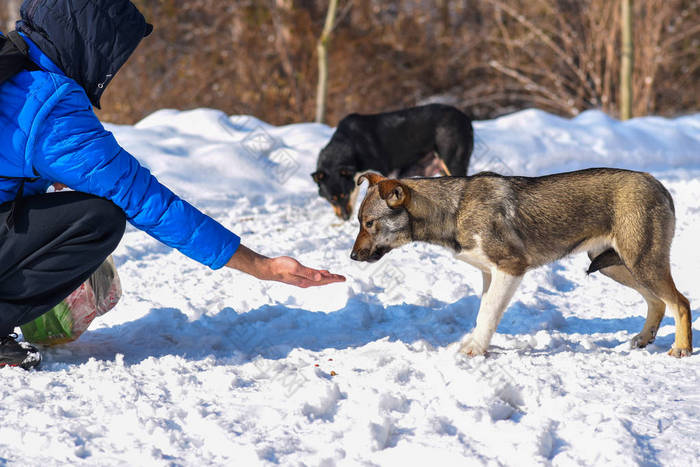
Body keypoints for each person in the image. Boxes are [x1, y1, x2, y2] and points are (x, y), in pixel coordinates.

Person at [0, 0, 344, 370]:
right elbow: (151, 203)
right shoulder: (51, 109)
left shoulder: (9, 62)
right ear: (88, 45)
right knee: (98, 218)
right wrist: (263, 266)